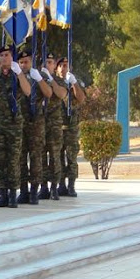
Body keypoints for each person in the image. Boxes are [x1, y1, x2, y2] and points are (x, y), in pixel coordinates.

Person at [0, 46, 31, 208]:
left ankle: (12, 194)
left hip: (14, 124)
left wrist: (19, 74)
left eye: (7, 55)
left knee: (13, 160)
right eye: (1, 55)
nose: (4, 58)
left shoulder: (18, 75)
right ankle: (2, 193)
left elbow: (28, 91)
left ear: (13, 57)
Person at [16, 49, 52, 204]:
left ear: (32, 61)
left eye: (27, 61)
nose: (24, 65)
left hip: (36, 121)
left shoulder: (40, 76)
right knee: (20, 158)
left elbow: (49, 93)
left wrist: (39, 80)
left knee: (36, 157)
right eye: (21, 62)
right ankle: (23, 190)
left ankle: (34, 190)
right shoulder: (15, 76)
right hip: (19, 121)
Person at [39, 52, 69, 201]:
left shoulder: (58, 80)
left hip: (54, 124)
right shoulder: (35, 80)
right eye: (45, 62)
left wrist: (50, 80)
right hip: (39, 123)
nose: (47, 65)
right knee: (40, 156)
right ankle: (43, 186)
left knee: (55, 156)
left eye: (50, 62)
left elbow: (62, 94)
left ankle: (54, 187)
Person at [55, 56, 86, 197]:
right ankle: (61, 184)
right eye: (60, 65)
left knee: (72, 157)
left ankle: (71, 185)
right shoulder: (54, 82)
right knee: (58, 157)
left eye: (65, 65)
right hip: (57, 125)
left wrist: (73, 83)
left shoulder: (76, 81)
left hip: (72, 126)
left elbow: (81, 98)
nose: (63, 68)